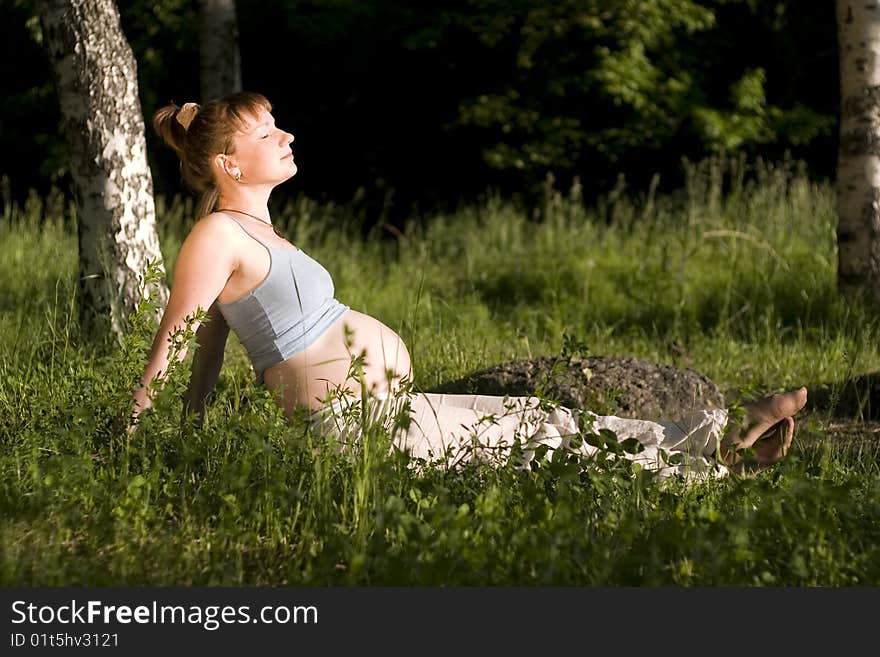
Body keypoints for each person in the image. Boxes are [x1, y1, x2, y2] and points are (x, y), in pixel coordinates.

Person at [133, 91, 808, 481]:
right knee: (537, 441)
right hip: (354, 430)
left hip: (387, 409)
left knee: (542, 420)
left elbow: (211, 350)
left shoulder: (256, 231)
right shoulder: (217, 235)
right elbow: (183, 341)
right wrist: (135, 436)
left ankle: (710, 439)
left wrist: (192, 439)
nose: (286, 134)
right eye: (266, 131)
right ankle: (717, 464)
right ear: (228, 162)